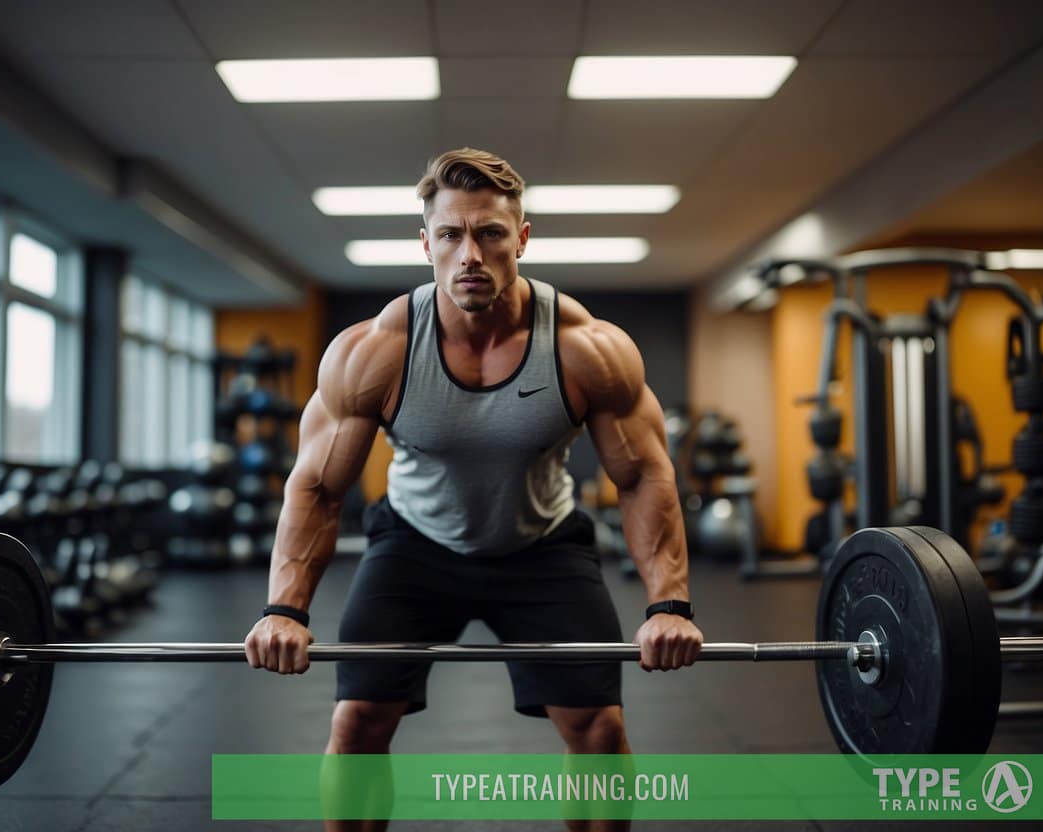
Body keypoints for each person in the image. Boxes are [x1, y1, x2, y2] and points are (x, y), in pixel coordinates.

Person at [244, 147, 703, 831]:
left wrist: (669, 603)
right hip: (413, 547)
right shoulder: (374, 351)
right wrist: (285, 610)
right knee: (358, 723)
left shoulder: (586, 346)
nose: (470, 255)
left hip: (542, 546)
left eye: (489, 233)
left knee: (598, 731)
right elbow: (315, 487)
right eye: (452, 235)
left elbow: (641, 475)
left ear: (520, 238)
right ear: (426, 242)